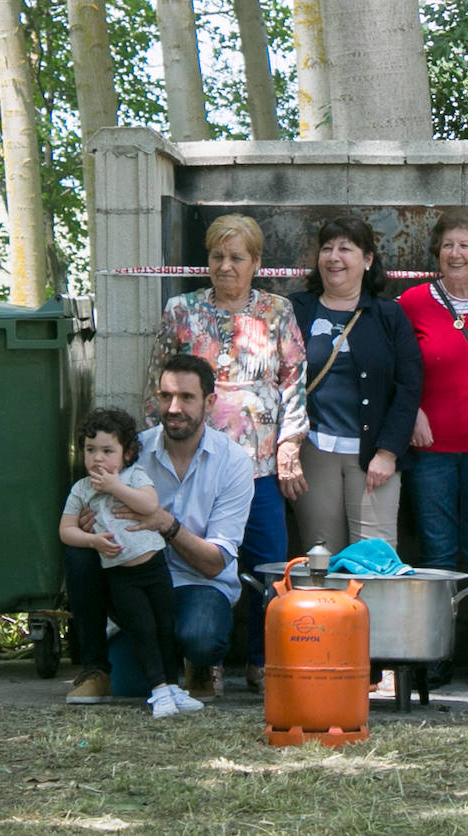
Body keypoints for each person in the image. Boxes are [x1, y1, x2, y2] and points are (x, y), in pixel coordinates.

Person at [143, 214, 307, 695]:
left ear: (256, 262)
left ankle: (263, 660)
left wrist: (290, 446)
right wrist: (152, 450)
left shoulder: (277, 310)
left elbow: (294, 380)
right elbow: (158, 382)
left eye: (237, 257)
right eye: (217, 256)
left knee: (268, 563)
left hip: (257, 462)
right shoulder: (180, 309)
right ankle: (204, 660)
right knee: (191, 553)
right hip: (191, 464)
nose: (226, 266)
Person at [64, 354, 255, 706]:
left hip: (198, 584)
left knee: (201, 636)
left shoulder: (235, 463)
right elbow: (88, 504)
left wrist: (166, 524)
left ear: (209, 402)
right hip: (131, 578)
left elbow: (215, 563)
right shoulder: (130, 449)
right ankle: (96, 669)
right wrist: (89, 526)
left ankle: (196, 662)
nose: (173, 407)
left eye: (186, 397)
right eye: (166, 396)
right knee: (129, 685)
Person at [398, 207, 468, 692]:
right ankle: (437, 651)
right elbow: (398, 371)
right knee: (438, 553)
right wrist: (413, 412)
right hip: (432, 450)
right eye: (448, 245)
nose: (456, 253)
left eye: (466, 245)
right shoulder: (413, 301)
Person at [59, 407, 206, 718]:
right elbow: (66, 530)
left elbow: (149, 504)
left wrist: (115, 488)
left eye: (107, 451)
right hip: (121, 576)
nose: (97, 458)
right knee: (143, 630)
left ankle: (173, 686)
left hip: (154, 568)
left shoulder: (133, 477)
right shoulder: (82, 490)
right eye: (90, 450)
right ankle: (158, 691)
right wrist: (92, 541)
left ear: (126, 454)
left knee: (165, 627)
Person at [289, 216, 422, 555]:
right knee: (320, 557)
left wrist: (388, 452)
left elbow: (408, 386)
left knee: (374, 560)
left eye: (345, 249)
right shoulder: (296, 310)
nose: (334, 257)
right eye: (327, 248)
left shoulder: (388, 315)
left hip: (373, 457)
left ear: (367, 260)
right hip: (314, 453)